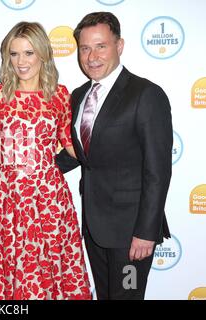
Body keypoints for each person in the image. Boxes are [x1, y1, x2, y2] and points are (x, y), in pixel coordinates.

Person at [56, 12, 172, 299]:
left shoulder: (146, 94)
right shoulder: (79, 95)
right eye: (85, 48)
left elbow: (158, 170)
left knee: (127, 297)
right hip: (94, 227)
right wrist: (28, 173)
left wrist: (146, 231)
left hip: (131, 233)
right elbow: (79, 154)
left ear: (119, 46)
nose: (92, 56)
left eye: (101, 46)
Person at [0, 21, 91, 300]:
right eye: (14, 54)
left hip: (50, 200)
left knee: (54, 269)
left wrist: (115, 157)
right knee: (11, 272)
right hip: (11, 201)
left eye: (28, 53)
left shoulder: (59, 95)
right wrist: (4, 179)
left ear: (42, 54)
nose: (21, 61)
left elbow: (71, 146)